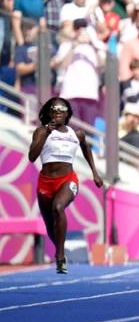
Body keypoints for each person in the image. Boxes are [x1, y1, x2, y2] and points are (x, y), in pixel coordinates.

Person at [27, 97, 103, 273]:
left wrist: (95, 173)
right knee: (49, 225)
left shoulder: (77, 134)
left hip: (67, 180)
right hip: (45, 183)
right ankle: (59, 250)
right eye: (55, 109)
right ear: (49, 112)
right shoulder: (40, 132)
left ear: (68, 113)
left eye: (62, 109)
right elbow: (32, 157)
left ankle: (60, 256)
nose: (58, 112)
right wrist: (46, 132)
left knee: (58, 207)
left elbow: (86, 149)